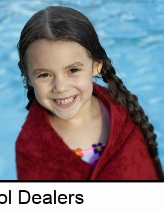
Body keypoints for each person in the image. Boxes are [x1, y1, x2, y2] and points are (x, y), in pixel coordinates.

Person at [15, 6, 164, 180]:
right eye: (44, 74)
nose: (61, 87)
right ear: (28, 77)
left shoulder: (123, 108)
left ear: (95, 66)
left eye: (72, 70)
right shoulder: (30, 148)